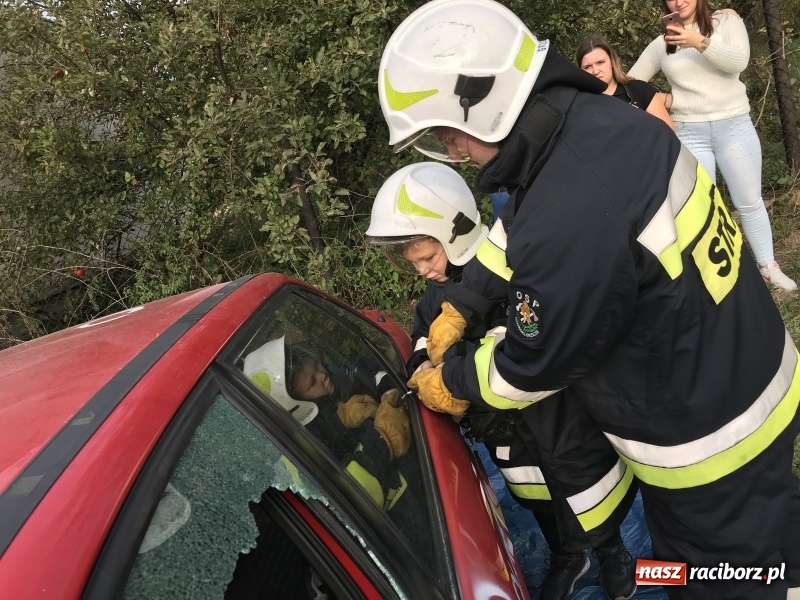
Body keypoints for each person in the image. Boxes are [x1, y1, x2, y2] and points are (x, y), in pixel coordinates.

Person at [376, 1, 800, 598]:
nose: (453, 149)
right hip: (749, 371)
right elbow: (513, 233)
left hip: (710, 444)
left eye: (447, 130)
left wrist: (454, 380)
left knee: (722, 581)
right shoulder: (589, 125)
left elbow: (531, 363)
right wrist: (462, 305)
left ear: (488, 105)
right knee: (772, 542)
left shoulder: (570, 209)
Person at [366, 162, 638, 600]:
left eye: (428, 258)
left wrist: (451, 374)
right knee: (536, 494)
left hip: (555, 416)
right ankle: (569, 557)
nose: (424, 271)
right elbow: (423, 330)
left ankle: (613, 553)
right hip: (501, 428)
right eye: (414, 264)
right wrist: (421, 363)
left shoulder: (514, 270)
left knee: (584, 488)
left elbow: (522, 346)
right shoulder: (436, 294)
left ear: (454, 231)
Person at [627, 0, 796, 291]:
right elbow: (631, 82)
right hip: (689, 131)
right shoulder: (661, 44)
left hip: (734, 126)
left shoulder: (726, 22)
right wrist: (664, 100)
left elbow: (738, 62)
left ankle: (768, 267)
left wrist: (699, 41)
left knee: (749, 201)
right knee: (700, 208)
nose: (679, 1)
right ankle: (715, 278)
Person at [242, 336, 412, 511]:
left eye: (316, 366)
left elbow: (368, 370)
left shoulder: (334, 378)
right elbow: (347, 505)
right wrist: (382, 441)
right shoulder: (301, 455)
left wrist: (387, 390)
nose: (322, 375)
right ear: (297, 406)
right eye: (312, 383)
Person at [575, 35, 674, 130]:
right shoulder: (579, 104)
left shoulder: (639, 90)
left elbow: (668, 132)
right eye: (587, 67)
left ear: (612, 61)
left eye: (600, 62)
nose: (595, 71)